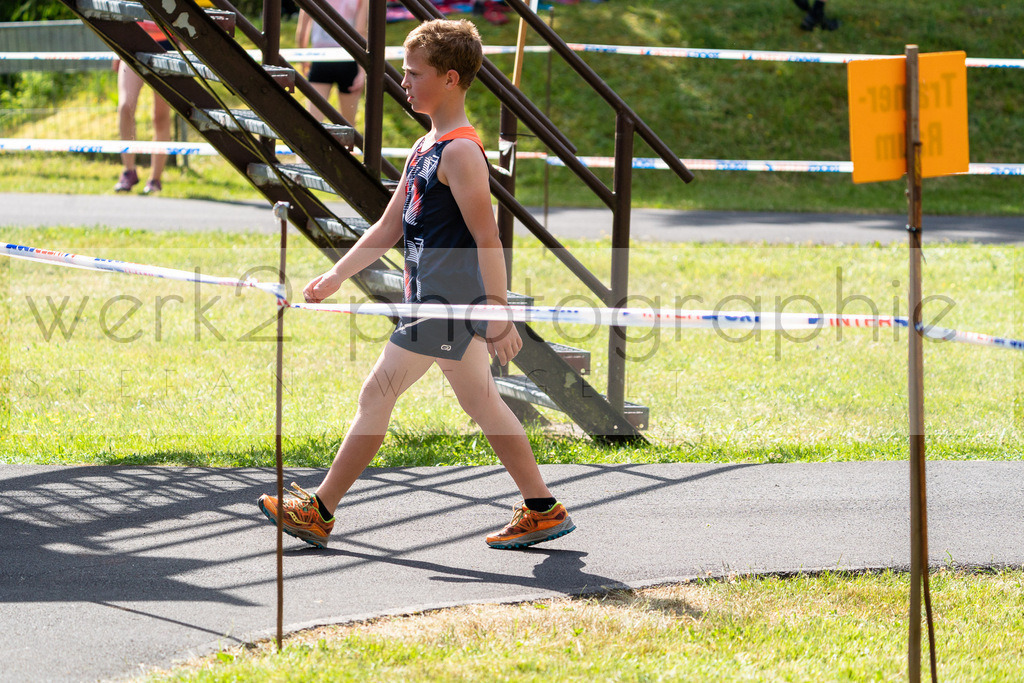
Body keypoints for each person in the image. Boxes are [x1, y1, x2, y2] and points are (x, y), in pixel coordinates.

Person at [257, 19, 575, 551]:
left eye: (414, 73)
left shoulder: (461, 153)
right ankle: (542, 507)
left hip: (445, 308)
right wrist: (337, 275)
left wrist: (498, 311)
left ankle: (320, 509)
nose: (403, 82)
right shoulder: (425, 146)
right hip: (428, 302)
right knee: (483, 403)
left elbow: (487, 237)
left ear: (450, 78)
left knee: (375, 393)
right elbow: (388, 227)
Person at [113, 20, 172, 194]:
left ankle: (155, 179)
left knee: (160, 116)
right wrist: (116, 48)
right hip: (132, 43)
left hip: (166, 44)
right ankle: (128, 171)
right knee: (125, 107)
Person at [295, 0, 367, 124]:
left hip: (321, 59)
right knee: (348, 126)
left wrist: (303, 59)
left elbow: (302, 30)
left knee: (313, 123)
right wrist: (362, 70)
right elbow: (360, 31)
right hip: (348, 59)